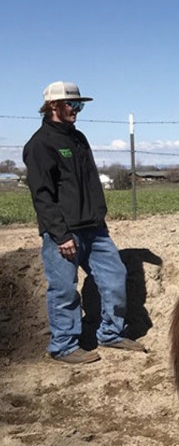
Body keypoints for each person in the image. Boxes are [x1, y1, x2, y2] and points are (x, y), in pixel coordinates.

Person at [23, 81, 146, 364]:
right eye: (72, 104)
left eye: (80, 105)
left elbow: (90, 183)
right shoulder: (40, 145)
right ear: (53, 105)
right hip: (64, 234)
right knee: (64, 289)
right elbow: (42, 196)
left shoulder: (78, 138)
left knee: (115, 277)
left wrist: (99, 216)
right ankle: (63, 346)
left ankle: (111, 333)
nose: (77, 110)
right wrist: (60, 234)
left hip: (94, 229)